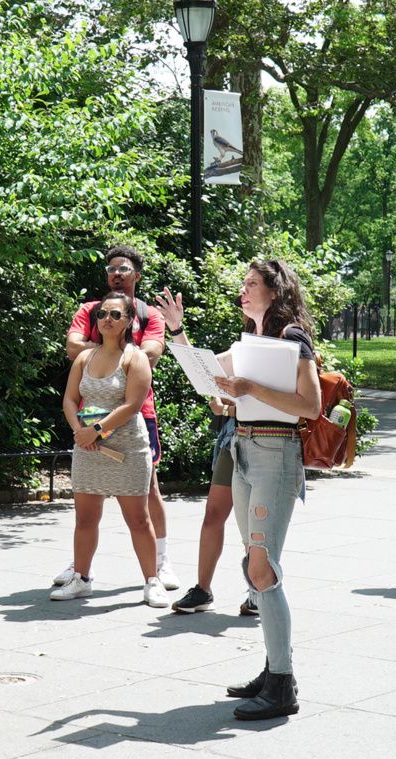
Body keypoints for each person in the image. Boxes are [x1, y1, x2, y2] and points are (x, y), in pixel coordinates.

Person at [211, 260, 322, 721]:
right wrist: (229, 396)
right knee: (254, 562)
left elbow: (310, 406)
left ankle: (282, 685)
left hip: (275, 453)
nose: (243, 289)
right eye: (244, 283)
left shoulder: (292, 338)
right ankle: (274, 669)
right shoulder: (252, 339)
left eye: (252, 284)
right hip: (244, 448)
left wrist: (247, 386)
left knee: (263, 569)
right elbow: (241, 395)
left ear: (275, 292)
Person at [57, 245, 178, 590]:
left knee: (148, 488)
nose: (117, 274)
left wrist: (119, 352)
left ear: (136, 275)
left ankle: (160, 561)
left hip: (138, 413)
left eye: (124, 269)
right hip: (89, 414)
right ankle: (80, 567)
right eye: (111, 269)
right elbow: (71, 346)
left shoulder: (150, 314)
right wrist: (111, 349)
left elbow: (152, 353)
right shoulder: (89, 309)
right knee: (87, 503)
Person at [153, 287, 247, 615]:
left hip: (271, 442)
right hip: (233, 440)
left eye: (250, 289)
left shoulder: (286, 336)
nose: (242, 297)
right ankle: (203, 589)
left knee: (254, 524)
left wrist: (234, 401)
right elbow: (203, 371)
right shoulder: (245, 342)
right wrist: (177, 329)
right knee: (214, 513)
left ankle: (260, 590)